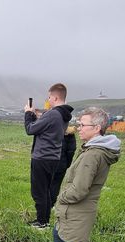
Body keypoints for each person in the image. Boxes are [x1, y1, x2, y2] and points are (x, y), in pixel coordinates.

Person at [43, 107, 120, 242]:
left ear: (96, 127)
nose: (78, 128)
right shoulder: (93, 150)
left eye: (82, 124)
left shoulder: (93, 155)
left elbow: (79, 190)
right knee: (58, 232)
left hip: (78, 209)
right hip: (72, 209)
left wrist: (61, 198)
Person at [23, 83, 74, 229]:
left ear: (56, 97)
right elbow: (44, 128)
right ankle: (44, 220)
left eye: (50, 97)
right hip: (53, 157)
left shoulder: (53, 114)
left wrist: (28, 113)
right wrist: (36, 116)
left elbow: (30, 129)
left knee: (39, 191)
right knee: (45, 190)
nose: (48, 99)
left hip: (42, 157)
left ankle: (41, 222)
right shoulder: (64, 115)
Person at [50, 125, 78, 207]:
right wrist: (67, 163)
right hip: (60, 163)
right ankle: (51, 203)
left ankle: (43, 202)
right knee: (56, 184)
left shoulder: (50, 128)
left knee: (45, 183)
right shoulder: (70, 132)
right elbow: (71, 150)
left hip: (46, 161)